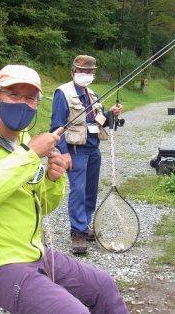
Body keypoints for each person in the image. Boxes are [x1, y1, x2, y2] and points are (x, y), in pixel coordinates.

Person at [0, 64, 129, 314]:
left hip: (33, 253)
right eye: (13, 95)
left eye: (30, 98)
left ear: (36, 105)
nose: (22, 103)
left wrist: (53, 180)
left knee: (103, 287)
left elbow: (43, 206)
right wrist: (30, 154)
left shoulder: (21, 142)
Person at [50, 55, 122, 254]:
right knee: (78, 191)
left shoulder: (92, 94)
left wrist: (112, 114)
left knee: (90, 190)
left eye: (90, 72)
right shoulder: (62, 93)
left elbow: (100, 121)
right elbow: (56, 126)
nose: (86, 75)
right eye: (82, 71)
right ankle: (77, 232)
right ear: (73, 72)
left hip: (93, 148)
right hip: (75, 150)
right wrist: (63, 153)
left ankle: (85, 223)